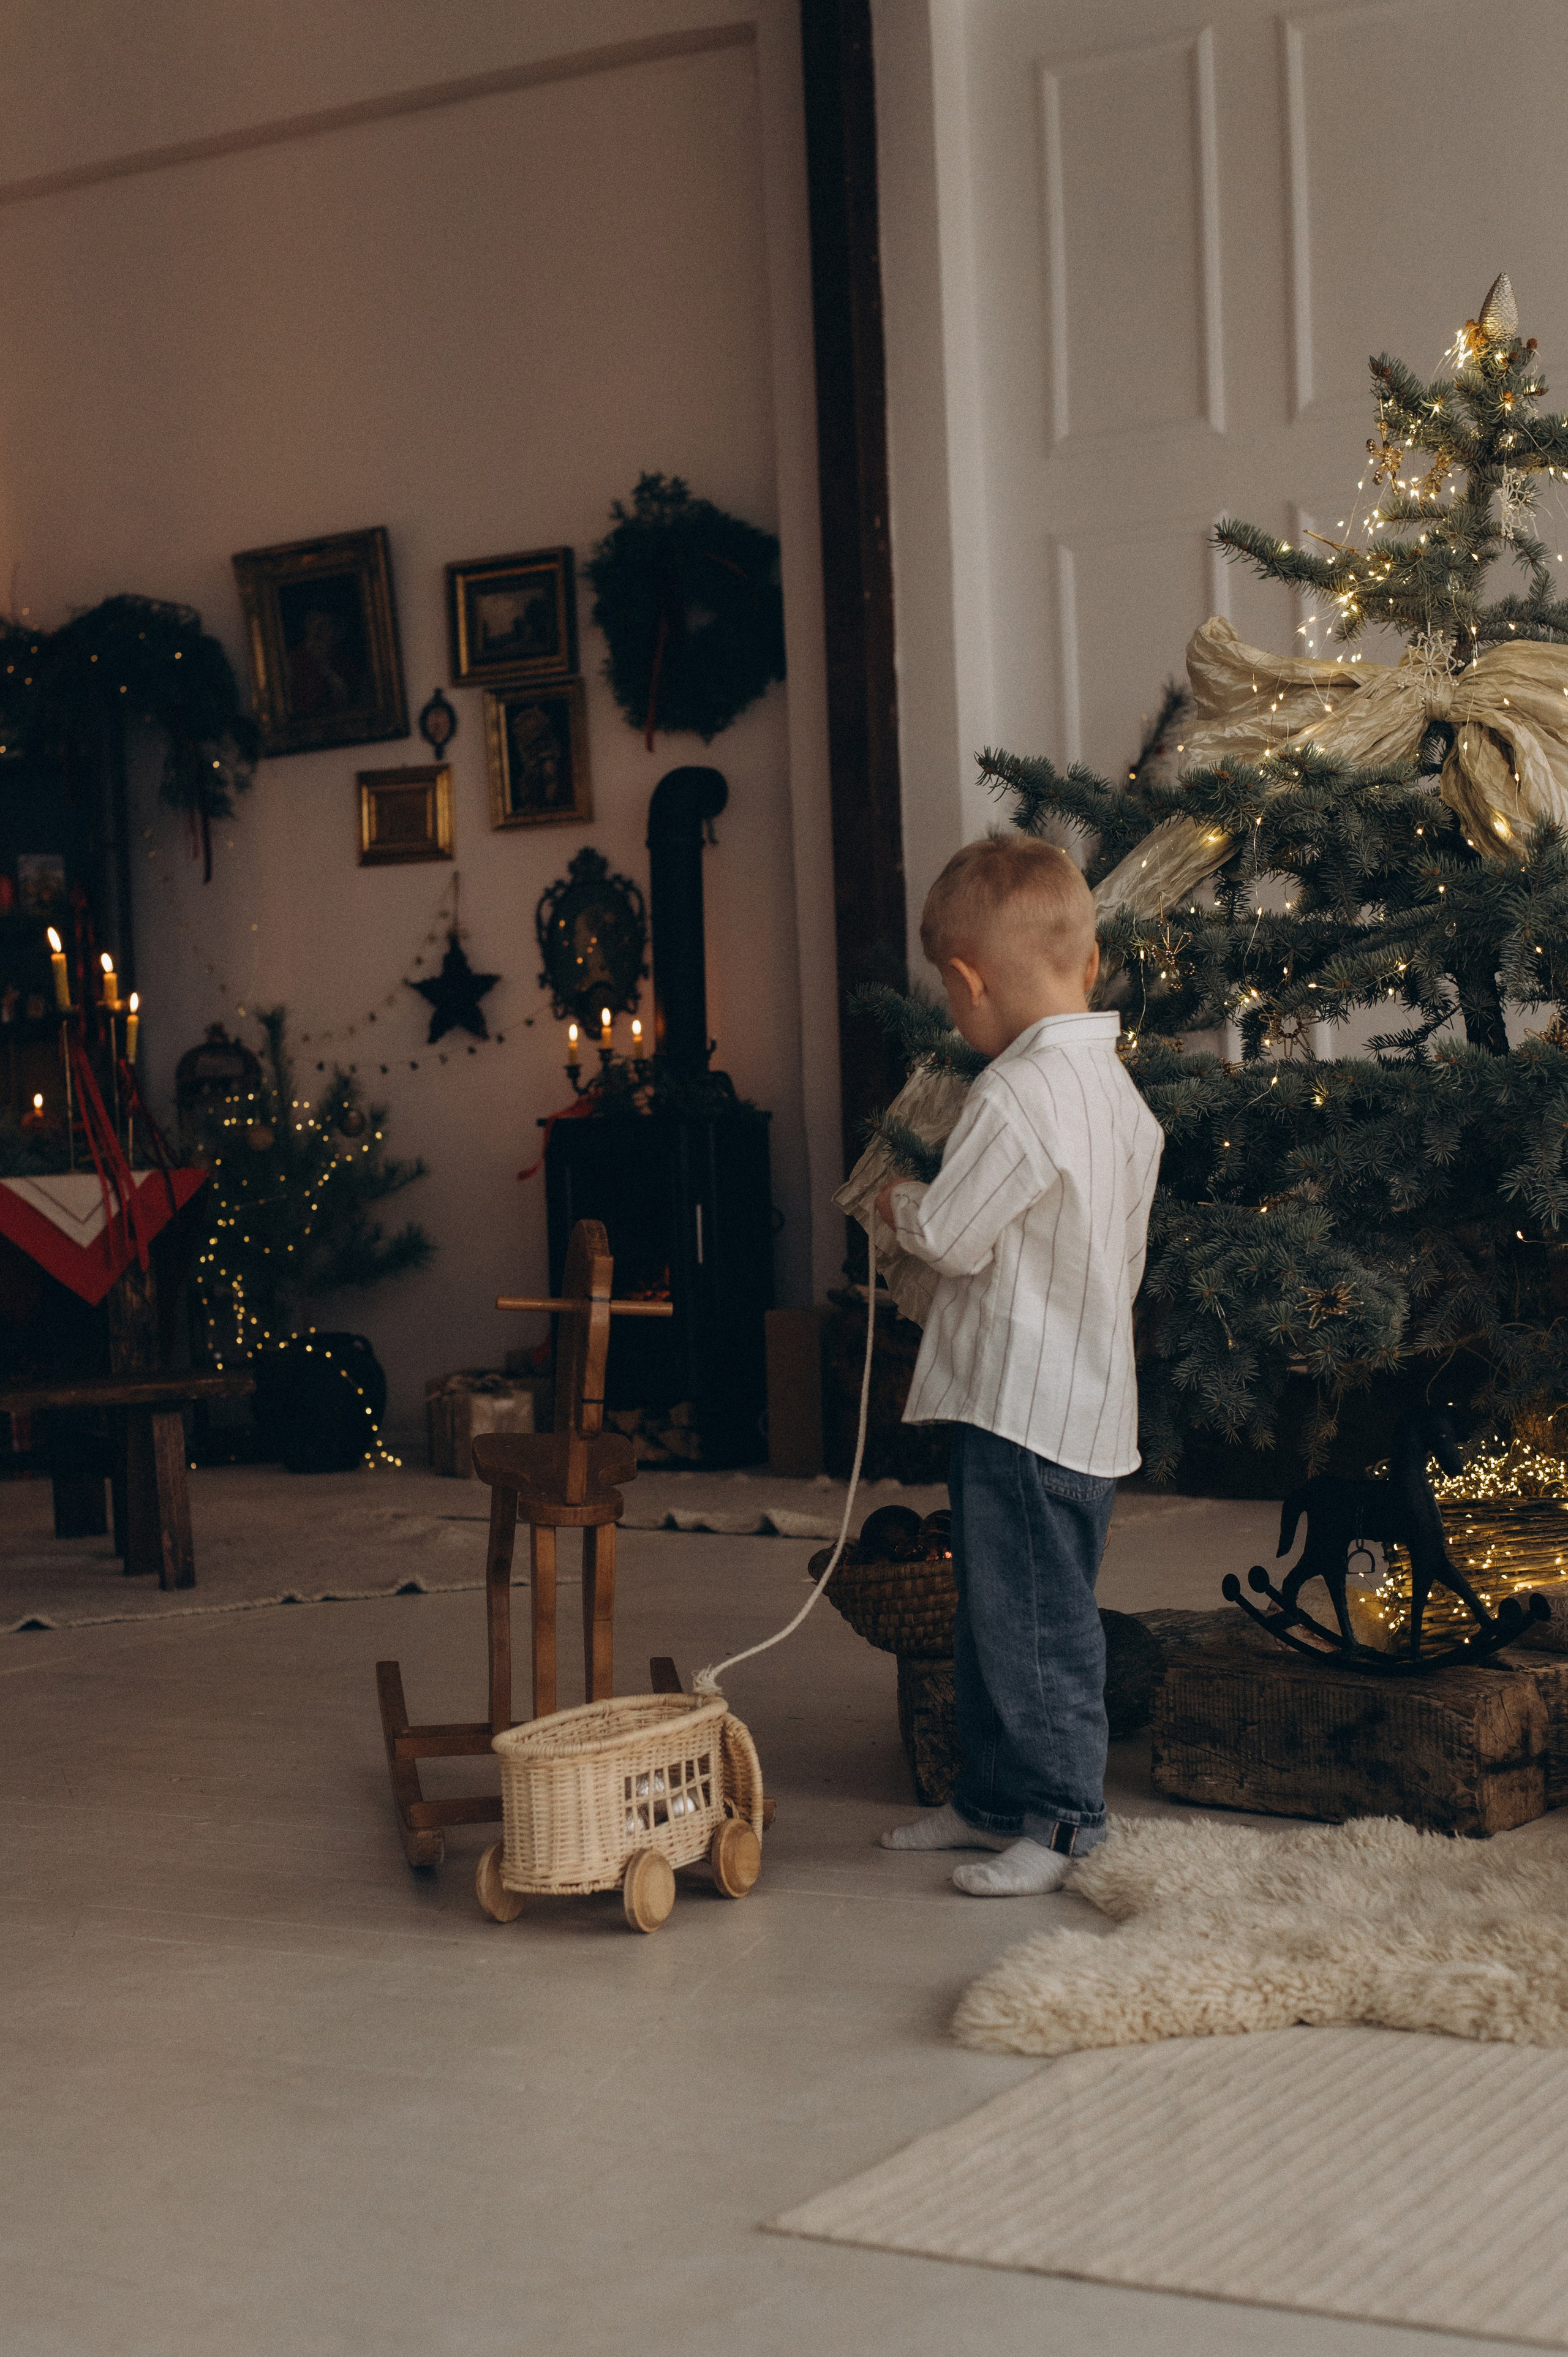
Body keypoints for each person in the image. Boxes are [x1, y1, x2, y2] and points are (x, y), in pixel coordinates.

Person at [872, 835, 1163, 1896]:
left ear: (967, 982)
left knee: (1035, 1627)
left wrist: (899, 1205)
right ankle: (992, 1797)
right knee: (1003, 1614)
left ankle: (1068, 1819)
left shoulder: (1014, 1095)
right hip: (1083, 1404)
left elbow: (953, 1237)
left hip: (1019, 1409)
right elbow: (1120, 1261)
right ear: (1089, 963)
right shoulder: (1118, 1098)